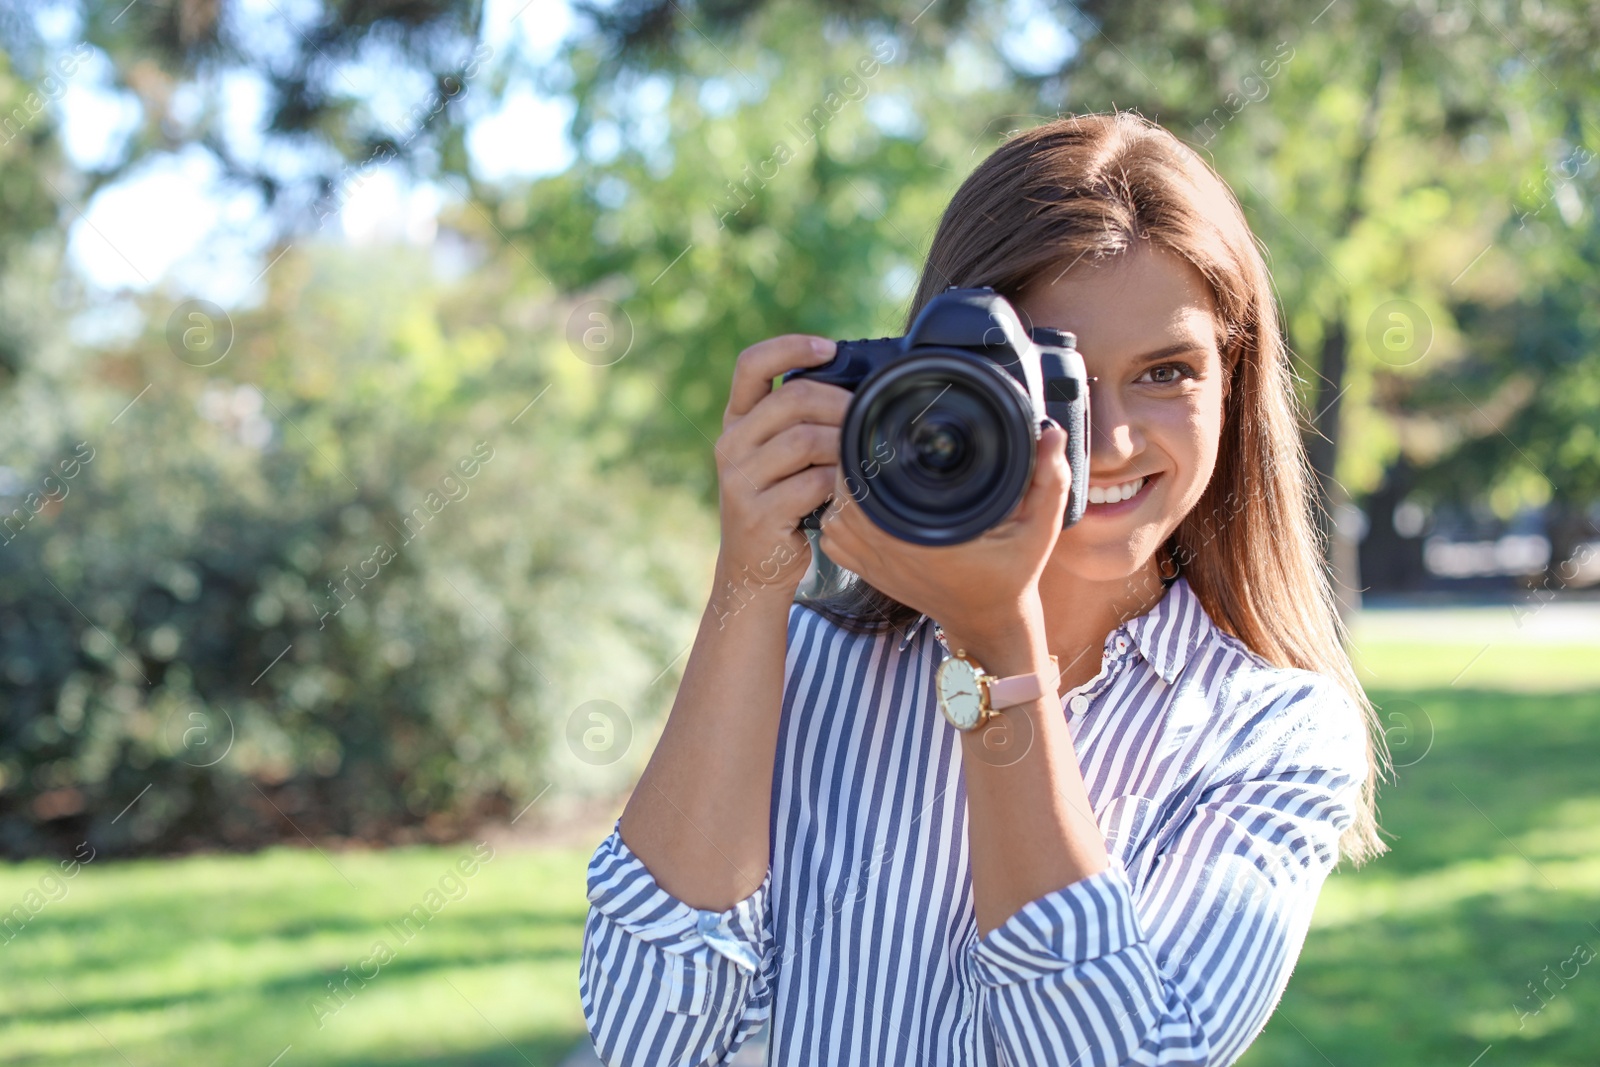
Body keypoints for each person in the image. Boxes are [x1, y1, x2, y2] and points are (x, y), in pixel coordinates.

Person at [578, 111, 1391, 1067]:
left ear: (1233, 384)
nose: (1111, 437)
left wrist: (997, 650)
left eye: (1167, 371)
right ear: (935, 380)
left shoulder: (1275, 730)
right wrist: (747, 584)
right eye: (1061, 379)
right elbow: (647, 1036)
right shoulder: (801, 667)